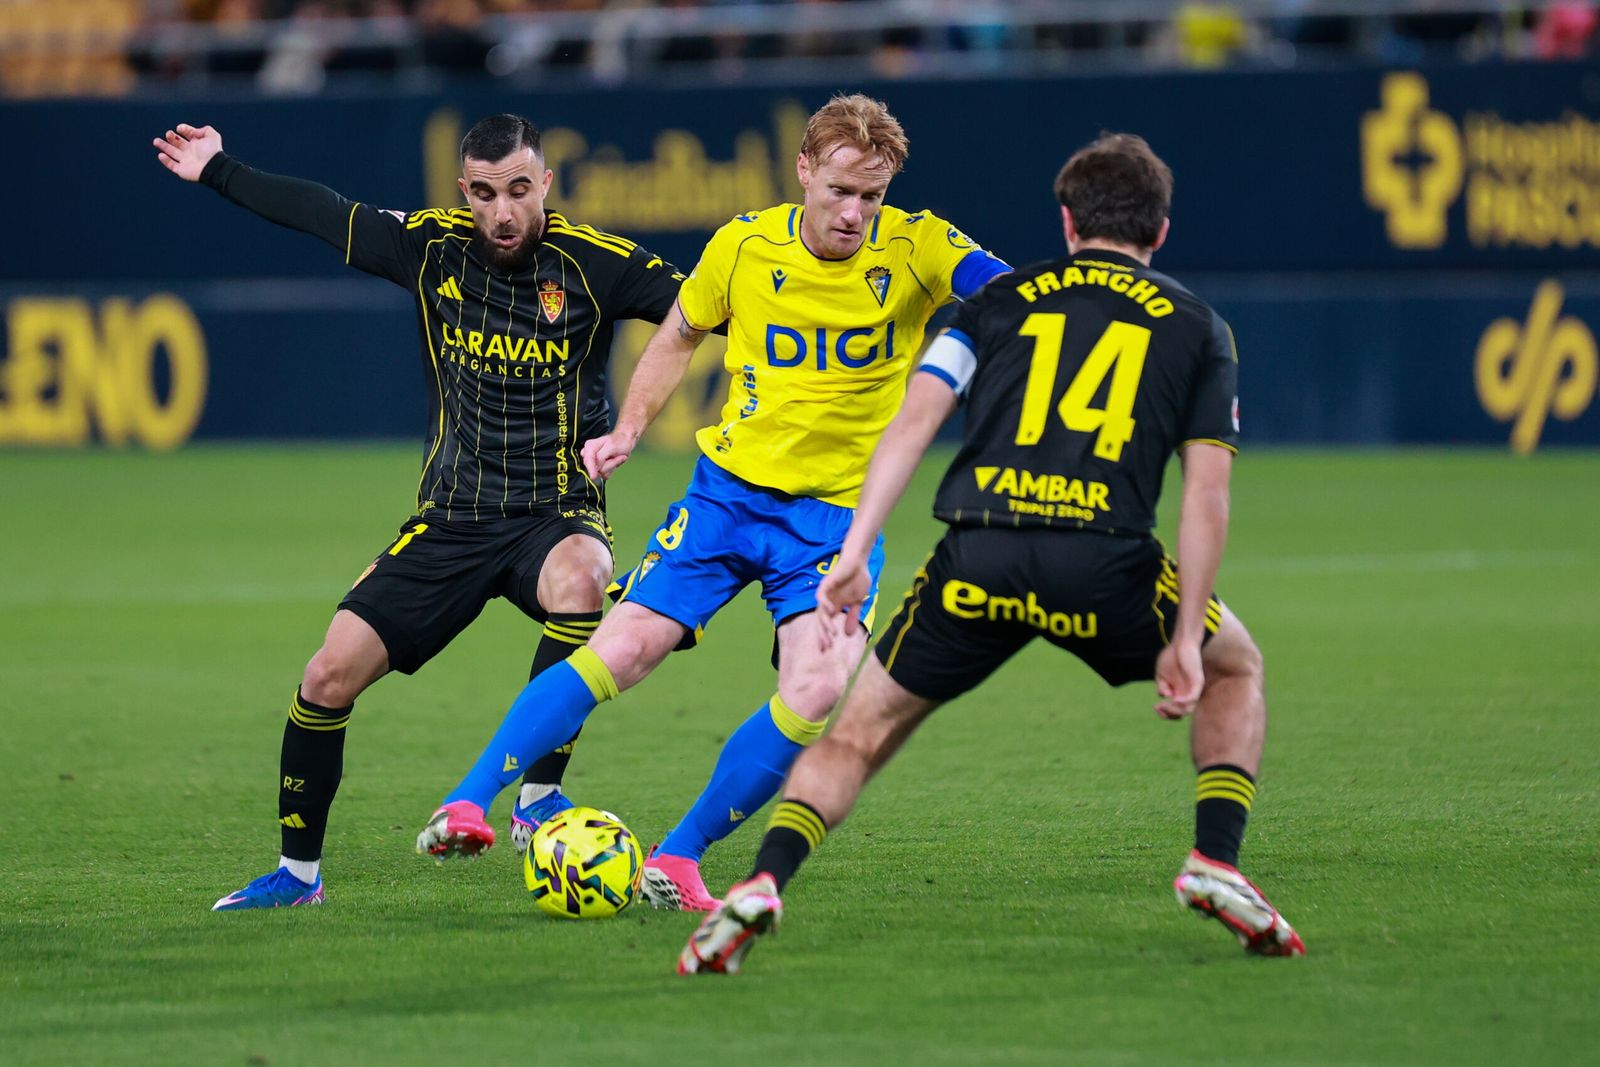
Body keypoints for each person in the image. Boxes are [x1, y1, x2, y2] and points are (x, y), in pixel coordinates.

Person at [678, 132, 1306, 973]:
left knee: (858, 733)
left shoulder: (1001, 300)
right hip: (1104, 560)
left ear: (1067, 221)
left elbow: (914, 421)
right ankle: (1215, 859)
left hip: (978, 556)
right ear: (1160, 231)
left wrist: (855, 550)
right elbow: (1206, 493)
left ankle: (763, 879)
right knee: (1237, 667)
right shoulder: (1198, 326)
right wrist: (1187, 634)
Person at [415, 94, 1012, 911]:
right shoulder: (744, 244)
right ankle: (466, 802)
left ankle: (679, 855)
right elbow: (679, 333)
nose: (854, 212)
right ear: (804, 170)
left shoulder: (918, 246)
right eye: (840, 190)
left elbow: (1008, 290)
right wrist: (629, 427)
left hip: (835, 523)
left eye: (871, 196)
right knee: (624, 647)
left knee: (815, 692)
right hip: (726, 498)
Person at [154, 114, 692, 910]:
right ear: (463, 191)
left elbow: (705, 305)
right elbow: (321, 212)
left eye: (519, 189)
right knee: (327, 675)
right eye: (485, 193)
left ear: (545, 184)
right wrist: (218, 169)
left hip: (555, 512)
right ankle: (297, 877)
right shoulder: (429, 247)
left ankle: (537, 793)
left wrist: (637, 421)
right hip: (452, 518)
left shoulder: (597, 263)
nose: (503, 211)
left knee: (586, 577)